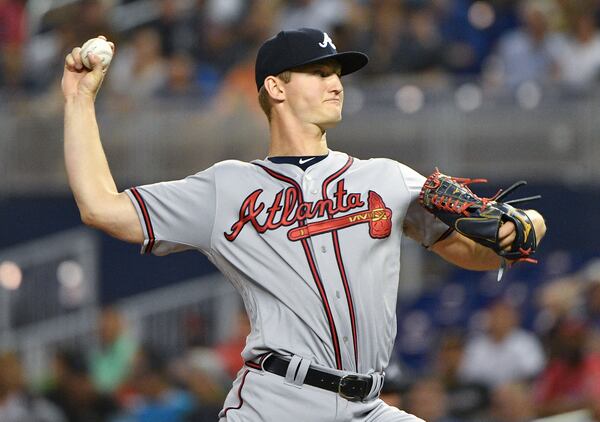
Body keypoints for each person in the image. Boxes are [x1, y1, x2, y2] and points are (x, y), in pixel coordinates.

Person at [62, 28, 546, 421]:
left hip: (368, 405)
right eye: (319, 72)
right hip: (278, 401)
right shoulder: (226, 188)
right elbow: (102, 208)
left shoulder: (387, 177)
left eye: (337, 73)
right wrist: (80, 99)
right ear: (276, 87)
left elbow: (474, 252)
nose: (336, 83)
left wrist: (526, 225)